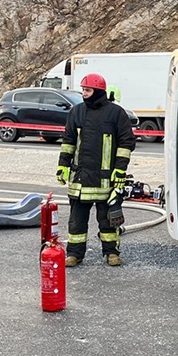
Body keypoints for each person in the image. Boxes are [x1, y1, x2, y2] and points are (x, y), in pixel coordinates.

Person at [56, 73, 134, 267]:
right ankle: (74, 254)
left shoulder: (116, 113)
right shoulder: (77, 112)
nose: (84, 93)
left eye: (88, 90)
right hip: (80, 179)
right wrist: (62, 166)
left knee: (108, 220)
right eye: (83, 90)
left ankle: (111, 253)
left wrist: (120, 170)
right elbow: (68, 142)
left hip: (105, 179)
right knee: (76, 222)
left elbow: (126, 143)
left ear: (98, 91)